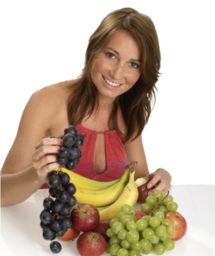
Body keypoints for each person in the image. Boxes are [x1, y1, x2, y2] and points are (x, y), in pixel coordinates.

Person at [1, 7, 172, 207]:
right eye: (111, 55)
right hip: (46, 231)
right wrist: (35, 175)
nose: (117, 74)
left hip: (101, 233)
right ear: (93, 47)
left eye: (133, 64)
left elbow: (137, 185)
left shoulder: (128, 110)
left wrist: (162, 176)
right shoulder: (47, 101)